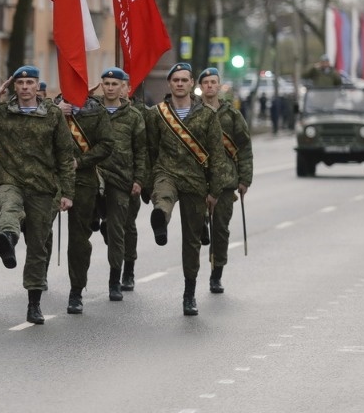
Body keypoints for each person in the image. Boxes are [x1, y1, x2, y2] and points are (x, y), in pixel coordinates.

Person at [0, 65, 75, 325]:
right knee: (8, 207)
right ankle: (7, 238)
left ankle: (34, 303)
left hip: (43, 187)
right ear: (14, 87)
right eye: (20, 84)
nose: (24, 88)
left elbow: (65, 155)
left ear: (37, 87)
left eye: (30, 83)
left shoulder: (52, 115)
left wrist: (67, 192)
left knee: (37, 246)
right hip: (10, 180)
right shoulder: (1, 112)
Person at [145, 63, 235, 316]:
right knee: (163, 198)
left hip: (195, 181)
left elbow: (217, 156)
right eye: (176, 80)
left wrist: (214, 191)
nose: (180, 84)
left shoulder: (207, 115)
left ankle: (189, 293)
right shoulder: (156, 114)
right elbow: (149, 149)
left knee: (192, 242)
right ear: (170, 83)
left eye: (185, 80)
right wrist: (147, 182)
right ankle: (160, 218)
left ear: (191, 82)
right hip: (166, 172)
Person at [54, 83, 113, 314]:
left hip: (84, 181)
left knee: (78, 240)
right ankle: (35, 290)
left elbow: (107, 144)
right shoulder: (50, 108)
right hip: (52, 179)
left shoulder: (96, 111)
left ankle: (76, 290)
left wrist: (81, 162)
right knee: (37, 233)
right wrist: (56, 114)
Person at [198, 67, 253, 295]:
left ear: (219, 86)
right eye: (206, 82)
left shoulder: (231, 115)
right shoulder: (192, 112)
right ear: (200, 87)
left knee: (220, 230)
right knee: (198, 226)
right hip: (197, 179)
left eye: (214, 82)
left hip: (227, 181)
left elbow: (244, 147)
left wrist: (244, 179)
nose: (210, 86)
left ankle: (216, 274)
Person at [94, 67, 147, 297]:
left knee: (121, 229)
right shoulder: (92, 110)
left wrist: (139, 180)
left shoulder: (134, 116)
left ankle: (119, 276)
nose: (111, 88)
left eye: (115, 84)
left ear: (124, 87)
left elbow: (141, 151)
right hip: (95, 176)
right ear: (102, 86)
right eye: (107, 83)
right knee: (86, 221)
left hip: (122, 180)